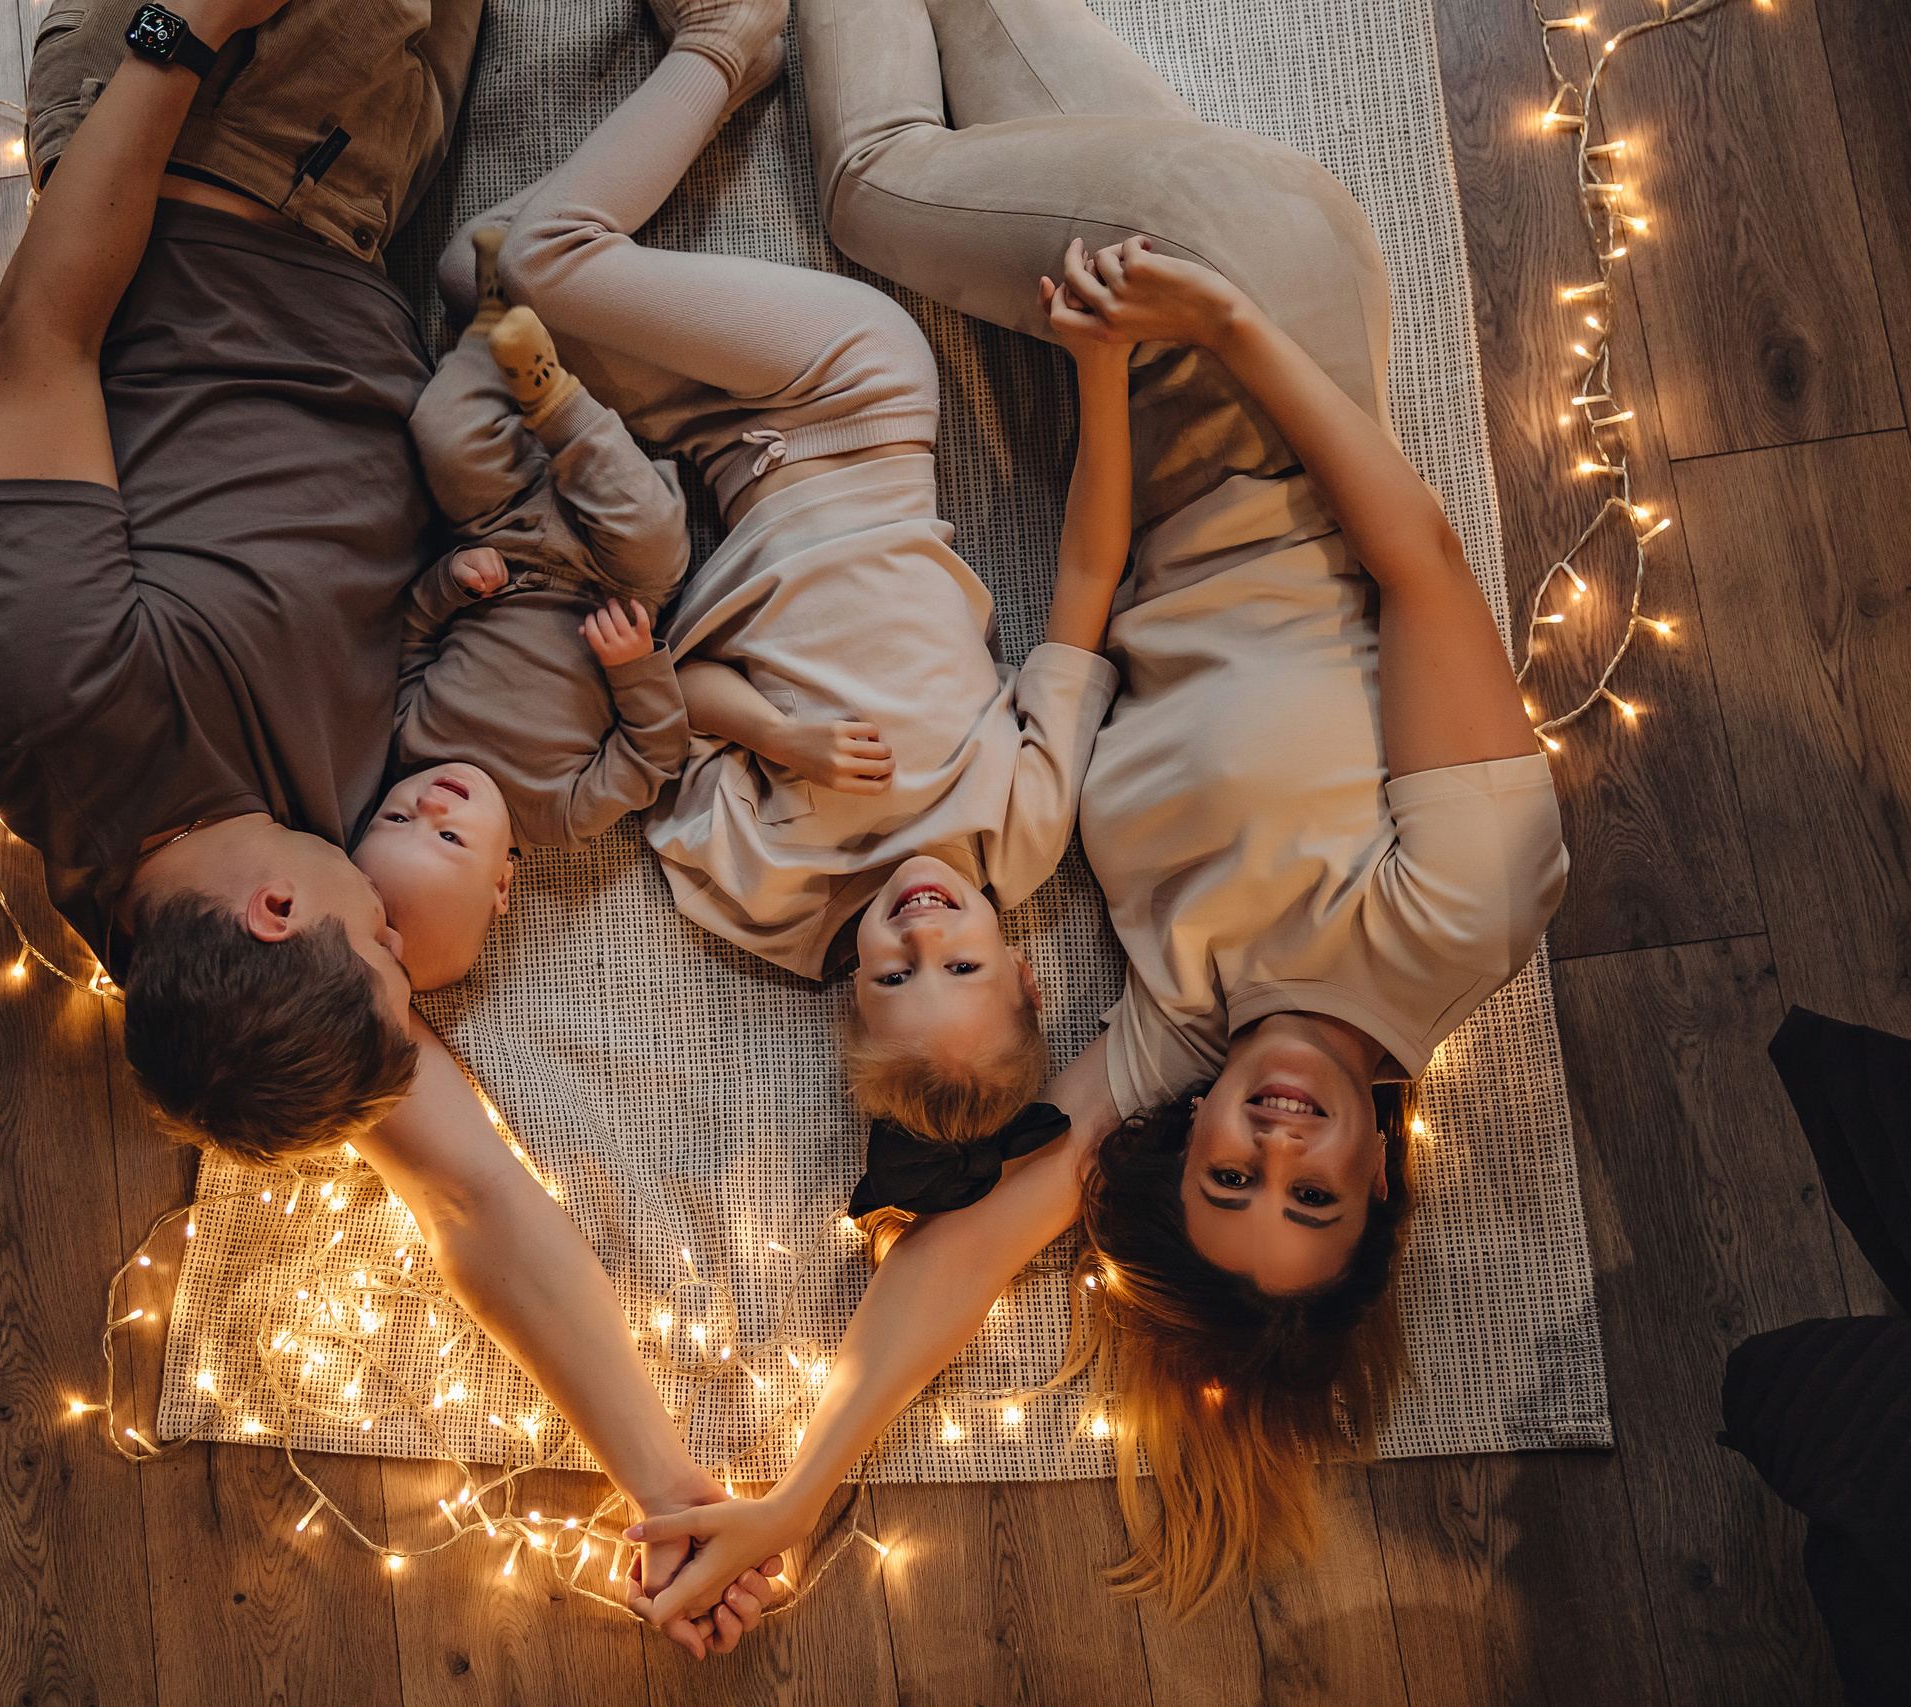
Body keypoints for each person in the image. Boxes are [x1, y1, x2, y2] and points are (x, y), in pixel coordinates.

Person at [622, 0, 1566, 1625]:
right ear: (1385, 1174)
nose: (1274, 1147)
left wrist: (801, 1483)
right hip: (1259, 344)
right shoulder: (1455, 918)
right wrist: (1228, 322)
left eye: (1231, 1185)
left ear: (1179, 1152)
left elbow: (970, 1244)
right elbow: (1416, 554)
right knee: (869, 182)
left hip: (1150, 396)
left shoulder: (1184, 1028)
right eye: (1316, 1191)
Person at [0, 0, 786, 1654]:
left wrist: (186, 33)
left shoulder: (37, 687)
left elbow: (45, 332)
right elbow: (476, 1208)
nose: (412, 926)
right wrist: (667, 1482)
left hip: (230, 149)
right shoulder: (273, 968)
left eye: (382, 946)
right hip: (382, 232)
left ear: (266, 920)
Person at [475, 0, 1127, 1151]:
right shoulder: (1017, 834)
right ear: (1026, 976)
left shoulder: (767, 897)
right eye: (960, 961)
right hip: (853, 401)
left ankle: (702, 94)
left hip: (714, 459)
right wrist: (1102, 377)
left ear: (846, 1000)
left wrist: (786, 742)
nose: (919, 929)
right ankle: (729, 40)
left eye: (893, 975)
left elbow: (668, 696)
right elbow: (1082, 587)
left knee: (473, 281)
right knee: (542, 261)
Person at [352, 236, 697, 988]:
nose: (429, 802)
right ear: (502, 885)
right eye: (448, 836)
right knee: (655, 534)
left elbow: (412, 634)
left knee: (441, 436)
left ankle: (494, 323)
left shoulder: (408, 740)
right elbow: (656, 755)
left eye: (396, 818)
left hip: (498, 535)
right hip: (612, 581)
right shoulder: (562, 815)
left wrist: (449, 582)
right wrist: (631, 665)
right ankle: (557, 403)